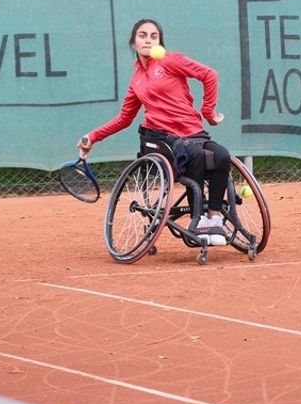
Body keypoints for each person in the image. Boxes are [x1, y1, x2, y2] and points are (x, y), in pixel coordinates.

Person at [77, 19, 231, 245]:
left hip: (194, 132)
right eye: (142, 35)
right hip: (162, 138)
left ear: (159, 41)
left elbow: (210, 75)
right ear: (133, 42)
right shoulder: (136, 79)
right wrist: (93, 136)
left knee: (222, 156)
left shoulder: (170, 60)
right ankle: (196, 220)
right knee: (195, 156)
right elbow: (124, 118)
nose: (148, 40)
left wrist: (208, 112)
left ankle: (214, 218)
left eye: (153, 36)